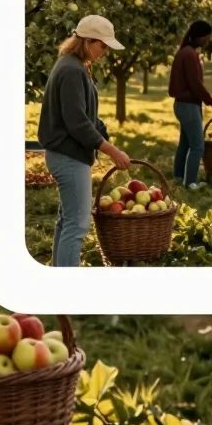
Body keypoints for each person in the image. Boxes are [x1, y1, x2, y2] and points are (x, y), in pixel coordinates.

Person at [38, 15, 131, 267]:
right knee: (77, 226)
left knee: (67, 221)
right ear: (88, 41)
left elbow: (87, 115)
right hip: (68, 156)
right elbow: (77, 123)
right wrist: (111, 151)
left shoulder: (76, 65)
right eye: (103, 46)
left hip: (67, 154)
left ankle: (59, 279)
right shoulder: (71, 70)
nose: (105, 53)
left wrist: (103, 135)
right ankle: (67, 292)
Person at [169, 21, 212, 188]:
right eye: (206, 37)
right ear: (199, 36)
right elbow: (196, 84)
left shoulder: (186, 52)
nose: (208, 40)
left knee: (185, 144)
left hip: (183, 104)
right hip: (188, 106)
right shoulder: (189, 54)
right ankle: (190, 183)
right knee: (198, 146)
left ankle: (179, 178)